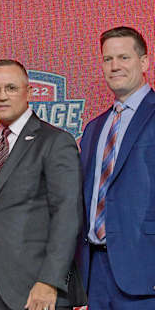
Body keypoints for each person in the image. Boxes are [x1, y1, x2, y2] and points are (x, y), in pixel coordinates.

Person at [0, 60, 86, 310]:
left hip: (37, 289)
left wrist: (50, 281)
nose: (2, 96)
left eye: (11, 88)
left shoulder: (56, 141)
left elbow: (67, 216)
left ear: (29, 92)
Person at [78, 26, 155, 309]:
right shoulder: (93, 129)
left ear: (144, 62)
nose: (114, 66)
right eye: (108, 59)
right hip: (95, 273)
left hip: (145, 273)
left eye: (123, 57)